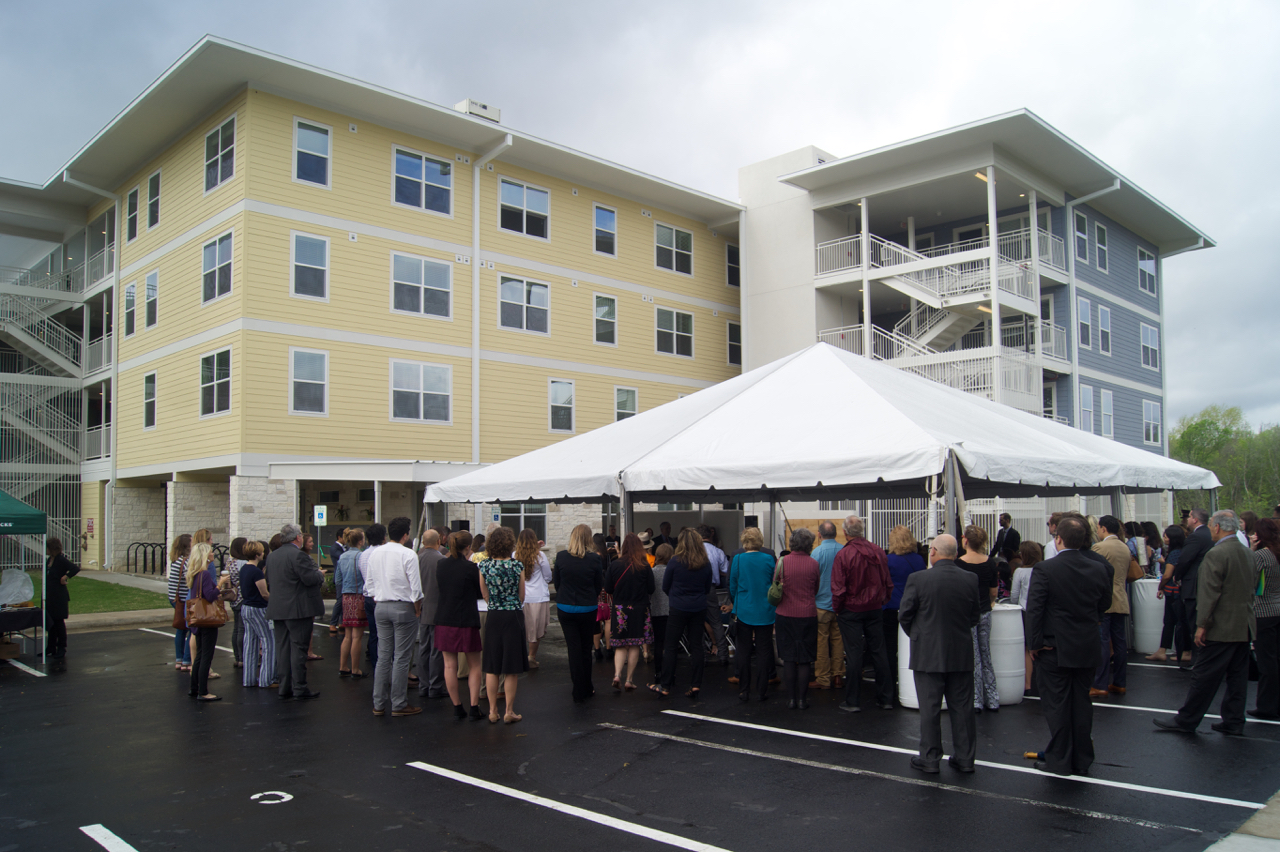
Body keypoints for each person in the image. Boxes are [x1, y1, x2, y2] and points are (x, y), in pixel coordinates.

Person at [1155, 511, 1257, 735]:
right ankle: (1234, 720)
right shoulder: (1248, 553)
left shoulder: (1216, 554)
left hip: (1221, 626)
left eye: (1211, 525)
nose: (1210, 529)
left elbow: (1209, 593)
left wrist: (1202, 625)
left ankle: (1187, 719)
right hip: (1243, 624)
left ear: (1218, 527)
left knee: (1204, 675)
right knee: (1237, 677)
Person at [1026, 516, 1113, 775]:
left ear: (1059, 539)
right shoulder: (1099, 568)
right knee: (1081, 704)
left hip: (1054, 647)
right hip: (1086, 644)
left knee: (1057, 705)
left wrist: (1034, 643)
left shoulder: (1045, 569)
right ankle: (1082, 756)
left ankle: (1061, 759)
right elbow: (1104, 604)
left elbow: (1035, 610)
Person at [899, 534, 981, 774]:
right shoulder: (970, 579)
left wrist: (919, 635)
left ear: (932, 551)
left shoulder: (918, 579)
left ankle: (930, 757)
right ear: (956, 554)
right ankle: (965, 758)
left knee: (930, 707)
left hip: (928, 651)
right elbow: (974, 616)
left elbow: (905, 615)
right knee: (962, 707)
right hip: (960, 650)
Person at [831, 515, 894, 712]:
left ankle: (853, 700)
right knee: (878, 651)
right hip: (874, 607)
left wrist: (838, 608)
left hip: (851, 609)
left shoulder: (844, 555)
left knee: (854, 653)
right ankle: (886, 698)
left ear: (845, 532)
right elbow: (887, 581)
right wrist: (882, 600)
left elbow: (838, 587)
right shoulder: (877, 551)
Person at [367, 516, 424, 717]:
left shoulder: (374, 554)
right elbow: (416, 589)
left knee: (384, 656)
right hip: (403, 607)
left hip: (381, 605)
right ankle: (399, 703)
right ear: (406, 535)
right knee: (401, 656)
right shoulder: (409, 554)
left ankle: (378, 703)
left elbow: (369, 586)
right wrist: (417, 608)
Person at [264, 522, 326, 700]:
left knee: (282, 649)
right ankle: (299, 687)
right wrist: (319, 575)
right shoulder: (298, 556)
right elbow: (308, 578)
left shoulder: (272, 556)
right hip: (298, 609)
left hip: (278, 607)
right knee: (299, 649)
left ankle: (285, 687)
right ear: (298, 537)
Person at [654, 528, 713, 698]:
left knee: (671, 646)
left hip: (678, 607)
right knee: (697, 646)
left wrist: (675, 595)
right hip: (698, 607)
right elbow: (707, 587)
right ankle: (695, 684)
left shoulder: (674, 562)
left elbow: (666, 585)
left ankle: (665, 685)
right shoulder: (705, 563)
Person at [478, 526, 527, 723]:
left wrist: (495, 603)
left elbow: (484, 593)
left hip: (494, 614)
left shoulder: (484, 566)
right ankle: (508, 710)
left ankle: (492, 711)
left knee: (492, 665)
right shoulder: (517, 566)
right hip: (512, 614)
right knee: (511, 666)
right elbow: (521, 595)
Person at [436, 531, 484, 720]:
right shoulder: (471, 568)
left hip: (445, 618)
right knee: (474, 665)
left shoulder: (441, 565)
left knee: (449, 665)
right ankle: (474, 706)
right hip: (466, 619)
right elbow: (479, 593)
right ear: (468, 547)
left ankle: (457, 706)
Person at [554, 524, 605, 703]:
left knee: (573, 648)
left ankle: (578, 687)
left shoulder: (561, 557)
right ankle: (587, 685)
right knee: (585, 648)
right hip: (587, 607)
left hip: (566, 607)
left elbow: (557, 583)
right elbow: (599, 584)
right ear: (588, 539)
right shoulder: (594, 559)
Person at [728, 527, 778, 701]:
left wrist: (737, 602)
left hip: (744, 609)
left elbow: (732, 585)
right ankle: (762, 689)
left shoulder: (738, 559)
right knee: (764, 650)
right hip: (765, 609)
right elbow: (774, 583)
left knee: (743, 650)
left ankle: (744, 689)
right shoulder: (769, 558)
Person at [774, 528, 820, 709]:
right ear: (809, 544)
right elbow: (815, 588)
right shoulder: (813, 564)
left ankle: (791, 698)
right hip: (807, 614)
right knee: (806, 658)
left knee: (789, 658)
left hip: (785, 613)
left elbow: (775, 585)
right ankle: (802, 700)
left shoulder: (782, 562)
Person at [957, 525, 1000, 712]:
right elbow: (994, 591)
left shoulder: (959, 564)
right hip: (984, 611)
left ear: (965, 540)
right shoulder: (990, 562)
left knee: (973, 656)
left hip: (967, 614)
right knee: (986, 654)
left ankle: (975, 700)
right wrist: (989, 603)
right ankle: (992, 698)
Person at [1091, 515, 1134, 697]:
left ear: (1102, 528)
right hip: (1121, 599)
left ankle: (1100, 684)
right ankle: (1120, 682)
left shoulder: (1100, 547)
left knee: (1102, 642)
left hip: (1105, 601)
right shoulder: (1125, 547)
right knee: (1119, 644)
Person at [607, 533, 656, 691]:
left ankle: (616, 674)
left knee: (621, 645)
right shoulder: (644, 565)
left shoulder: (615, 565)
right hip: (639, 609)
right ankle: (629, 680)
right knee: (635, 645)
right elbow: (651, 589)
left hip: (620, 609)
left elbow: (608, 588)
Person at [186, 543, 233, 701]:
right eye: (211, 552)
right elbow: (210, 595)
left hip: (198, 618)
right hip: (207, 618)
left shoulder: (195, 574)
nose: (213, 554)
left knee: (199, 655)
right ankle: (203, 691)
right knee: (206, 655)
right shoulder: (205, 574)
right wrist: (220, 584)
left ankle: (195, 688)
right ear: (205, 556)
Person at [883, 525, 926, 683]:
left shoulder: (888, 560)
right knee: (910, 646)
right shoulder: (919, 560)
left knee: (889, 648)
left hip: (891, 608)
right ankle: (909, 682)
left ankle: (890, 683)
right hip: (913, 608)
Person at [1172, 509, 1213, 671]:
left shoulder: (1196, 537)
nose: (1187, 520)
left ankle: (1198, 662)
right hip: (1206, 585)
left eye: (1189, 517)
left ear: (1195, 520)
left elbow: (1185, 559)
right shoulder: (1210, 534)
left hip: (1193, 586)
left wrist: (1177, 576)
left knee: (1194, 625)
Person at [810, 521, 844, 691]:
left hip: (821, 604)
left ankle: (823, 677)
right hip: (840, 604)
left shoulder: (816, 553)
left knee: (821, 641)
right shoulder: (843, 550)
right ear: (836, 534)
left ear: (819, 534)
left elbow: (812, 579)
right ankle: (838, 675)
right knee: (838, 640)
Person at [1251, 518, 1280, 720]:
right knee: (1276, 658)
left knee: (1266, 662)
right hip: (1278, 607)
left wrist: (1252, 550)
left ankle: (1266, 706)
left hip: (1262, 611)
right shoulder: (1277, 554)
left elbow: (1249, 577)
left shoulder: (1261, 555)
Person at [1147, 525, 1187, 663]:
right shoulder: (1182, 551)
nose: (1164, 539)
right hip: (1176, 591)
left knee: (1171, 621)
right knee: (1175, 622)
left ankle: (1172, 650)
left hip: (1172, 591)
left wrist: (1161, 586)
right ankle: (1168, 650)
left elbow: (1167, 574)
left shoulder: (1174, 553)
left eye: (1166, 536)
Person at [414, 529, 447, 699]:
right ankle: (435, 685)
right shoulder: (441, 560)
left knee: (423, 648)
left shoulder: (415, 558)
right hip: (437, 609)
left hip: (421, 608)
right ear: (439, 541)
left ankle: (423, 685)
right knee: (436, 650)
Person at [238, 540, 274, 688]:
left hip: (245, 607)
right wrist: (275, 598)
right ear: (258, 554)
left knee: (250, 643)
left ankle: (249, 678)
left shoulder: (244, 569)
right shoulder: (256, 571)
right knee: (268, 641)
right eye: (262, 551)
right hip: (258, 608)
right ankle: (266, 679)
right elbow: (264, 593)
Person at [516, 529, 553, 670]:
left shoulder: (515, 555)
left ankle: (521, 657)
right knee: (536, 630)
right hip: (538, 596)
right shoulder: (540, 556)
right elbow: (548, 576)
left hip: (521, 596)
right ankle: (531, 656)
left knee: (523, 628)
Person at [1009, 540, 1043, 693]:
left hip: (1025, 611)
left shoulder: (1020, 572)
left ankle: (1028, 684)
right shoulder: (1043, 570)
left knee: (1027, 649)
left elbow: (1014, 595)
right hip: (1042, 611)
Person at [334, 529, 367, 679]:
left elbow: (338, 580)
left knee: (347, 635)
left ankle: (343, 666)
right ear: (360, 541)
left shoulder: (342, 557)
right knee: (357, 636)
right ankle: (355, 668)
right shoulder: (361, 556)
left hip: (346, 596)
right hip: (358, 596)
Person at [699, 524, 731, 666]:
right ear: (710, 536)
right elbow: (726, 571)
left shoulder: (694, 551)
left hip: (696, 589)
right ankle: (724, 654)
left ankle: (700, 656)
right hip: (711, 588)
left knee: (697, 621)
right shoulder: (718, 551)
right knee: (716, 621)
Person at [43, 538, 79, 659]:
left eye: (47, 547)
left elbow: (75, 568)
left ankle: (61, 647)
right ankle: (51, 647)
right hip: (50, 595)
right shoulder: (49, 560)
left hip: (59, 596)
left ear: (52, 548)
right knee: (50, 622)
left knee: (58, 622)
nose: (46, 550)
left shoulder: (61, 560)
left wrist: (65, 577)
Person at [359, 523, 385, 672]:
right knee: (387, 636)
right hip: (381, 597)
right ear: (383, 537)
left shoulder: (363, 554)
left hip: (368, 596)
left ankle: (377, 667)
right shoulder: (382, 553)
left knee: (374, 634)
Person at [167, 533, 193, 671]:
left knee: (180, 629)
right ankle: (187, 660)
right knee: (190, 629)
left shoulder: (176, 560)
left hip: (174, 598)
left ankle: (179, 659)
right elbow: (189, 579)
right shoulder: (185, 561)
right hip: (182, 599)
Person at [649, 543, 672, 679]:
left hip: (656, 610)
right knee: (670, 643)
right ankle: (670, 672)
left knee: (658, 642)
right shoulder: (671, 571)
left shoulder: (652, 572)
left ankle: (658, 672)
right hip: (670, 610)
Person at [226, 537, 247, 669]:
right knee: (242, 629)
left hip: (233, 597)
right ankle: (242, 657)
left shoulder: (229, 561)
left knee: (236, 629)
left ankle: (237, 657)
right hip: (242, 597)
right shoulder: (242, 563)